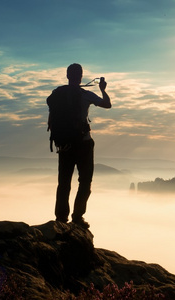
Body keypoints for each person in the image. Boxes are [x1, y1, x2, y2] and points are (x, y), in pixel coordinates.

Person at [47, 63, 111, 228]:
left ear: (68, 76)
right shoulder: (85, 95)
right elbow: (107, 104)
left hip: (65, 145)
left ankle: (61, 218)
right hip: (83, 144)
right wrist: (103, 89)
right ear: (81, 76)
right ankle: (77, 217)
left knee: (64, 183)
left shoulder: (57, 94)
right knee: (85, 181)